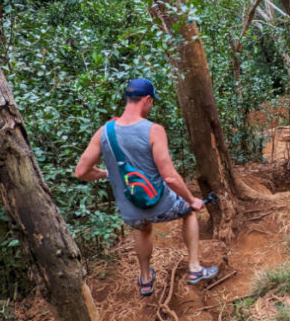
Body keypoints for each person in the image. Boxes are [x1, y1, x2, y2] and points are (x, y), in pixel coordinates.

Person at [75, 78, 218, 296]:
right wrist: (192, 200)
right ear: (147, 100)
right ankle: (195, 268)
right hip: (159, 203)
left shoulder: (104, 132)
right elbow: (169, 177)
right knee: (189, 212)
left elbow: (81, 171)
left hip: (130, 209)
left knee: (141, 227)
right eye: (152, 103)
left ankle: (145, 279)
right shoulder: (154, 130)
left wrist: (107, 173)